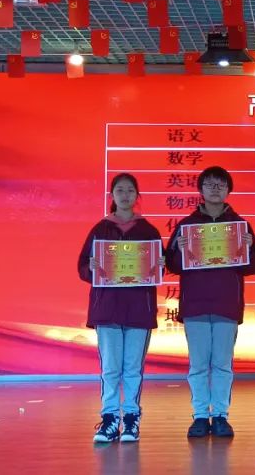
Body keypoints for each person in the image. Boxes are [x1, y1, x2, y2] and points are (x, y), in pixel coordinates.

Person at [165, 166, 255, 438]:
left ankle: (220, 415)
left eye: (220, 184)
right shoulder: (187, 225)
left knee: (222, 364)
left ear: (228, 190)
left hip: (226, 304)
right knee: (198, 365)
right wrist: (179, 250)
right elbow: (171, 265)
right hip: (195, 305)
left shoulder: (240, 225)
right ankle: (199, 415)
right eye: (209, 184)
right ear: (200, 190)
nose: (215, 189)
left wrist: (248, 247)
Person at [77, 173, 164, 443]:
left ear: (137, 196)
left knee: (133, 368)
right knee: (111, 369)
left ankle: (131, 419)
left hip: (139, 309)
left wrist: (159, 264)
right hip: (108, 309)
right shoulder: (100, 230)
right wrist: (91, 267)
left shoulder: (148, 231)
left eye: (130, 191)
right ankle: (110, 418)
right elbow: (82, 267)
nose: (125, 195)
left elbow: (159, 268)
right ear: (112, 196)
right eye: (120, 190)